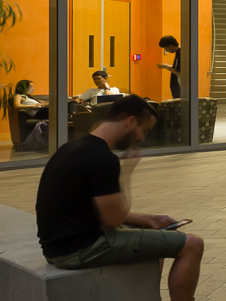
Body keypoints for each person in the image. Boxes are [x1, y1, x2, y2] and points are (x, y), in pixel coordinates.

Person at [35, 94, 205, 301]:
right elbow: (113, 219)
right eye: (144, 130)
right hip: (79, 250)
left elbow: (100, 209)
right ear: (130, 121)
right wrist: (126, 173)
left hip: (57, 247)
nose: (142, 138)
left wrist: (150, 219)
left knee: (155, 238)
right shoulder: (103, 158)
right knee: (193, 244)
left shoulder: (71, 148)